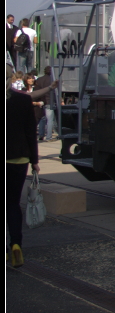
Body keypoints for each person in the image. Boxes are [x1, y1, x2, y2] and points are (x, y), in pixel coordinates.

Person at [6, 65, 40, 268]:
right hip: (18, 158)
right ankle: (16, 245)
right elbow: (31, 133)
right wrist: (34, 160)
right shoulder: (23, 100)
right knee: (12, 203)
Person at [35, 66, 58, 142]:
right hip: (50, 101)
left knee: (42, 118)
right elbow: (56, 92)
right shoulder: (53, 80)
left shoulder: (39, 79)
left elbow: (37, 91)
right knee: (50, 120)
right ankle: (49, 137)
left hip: (42, 101)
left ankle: (41, 135)